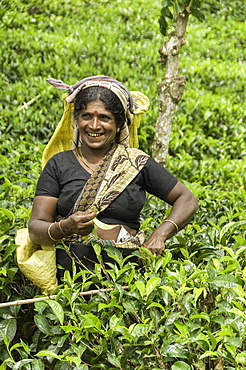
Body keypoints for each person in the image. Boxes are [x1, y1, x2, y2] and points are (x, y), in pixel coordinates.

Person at [28, 75, 198, 282]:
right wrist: (64, 227)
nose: (94, 125)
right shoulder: (58, 165)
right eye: (86, 116)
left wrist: (160, 235)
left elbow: (187, 199)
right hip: (69, 278)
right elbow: (36, 229)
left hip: (126, 278)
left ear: (119, 124)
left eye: (105, 118)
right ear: (76, 120)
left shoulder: (136, 163)